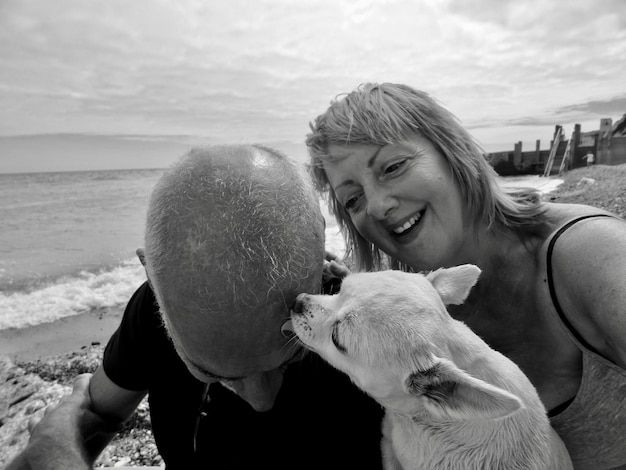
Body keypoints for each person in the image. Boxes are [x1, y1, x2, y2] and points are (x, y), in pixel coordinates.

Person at [305, 83, 626, 469]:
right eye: (353, 199)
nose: (376, 205)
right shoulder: (412, 296)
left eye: (392, 167)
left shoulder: (591, 255)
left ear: (451, 152)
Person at [7, 144, 384, 470]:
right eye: (215, 373)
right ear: (155, 281)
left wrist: (51, 443)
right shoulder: (158, 307)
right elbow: (94, 411)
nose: (260, 400)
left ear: (317, 257)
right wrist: (56, 442)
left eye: (290, 357)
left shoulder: (368, 332)